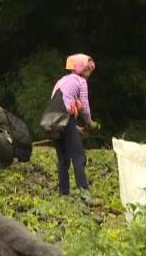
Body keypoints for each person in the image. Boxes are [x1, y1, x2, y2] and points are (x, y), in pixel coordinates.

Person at [50, 54, 100, 204]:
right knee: (78, 157)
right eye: (87, 70)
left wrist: (75, 127)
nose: (89, 73)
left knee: (63, 158)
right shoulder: (80, 81)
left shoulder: (62, 80)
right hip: (66, 118)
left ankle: (63, 192)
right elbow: (84, 106)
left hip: (53, 119)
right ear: (81, 68)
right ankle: (84, 194)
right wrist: (90, 123)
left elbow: (60, 107)